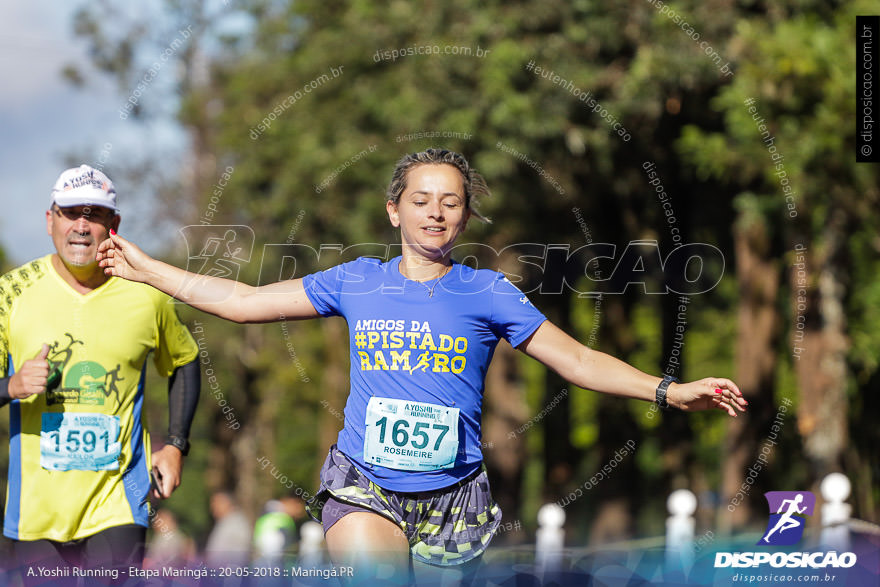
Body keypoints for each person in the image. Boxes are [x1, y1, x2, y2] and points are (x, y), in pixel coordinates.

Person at [96, 149, 746, 582]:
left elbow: (574, 357)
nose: (436, 210)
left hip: (454, 497)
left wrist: (666, 390)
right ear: (394, 209)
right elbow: (240, 301)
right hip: (365, 484)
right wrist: (144, 266)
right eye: (422, 198)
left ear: (465, 215)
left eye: (452, 201)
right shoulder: (355, 280)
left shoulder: (487, 292)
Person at [0, 165, 201, 585]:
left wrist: (176, 445)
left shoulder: (147, 294)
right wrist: (13, 386)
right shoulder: (12, 293)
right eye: (71, 213)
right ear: (50, 219)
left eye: (94, 215)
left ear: (114, 225)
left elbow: (184, 361)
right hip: (36, 513)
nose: (81, 226)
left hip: (119, 503)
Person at [204, 491, 252, 568]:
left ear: (226, 503)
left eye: (215, 503)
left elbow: (239, 555)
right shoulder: (224, 521)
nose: (212, 507)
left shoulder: (237, 523)